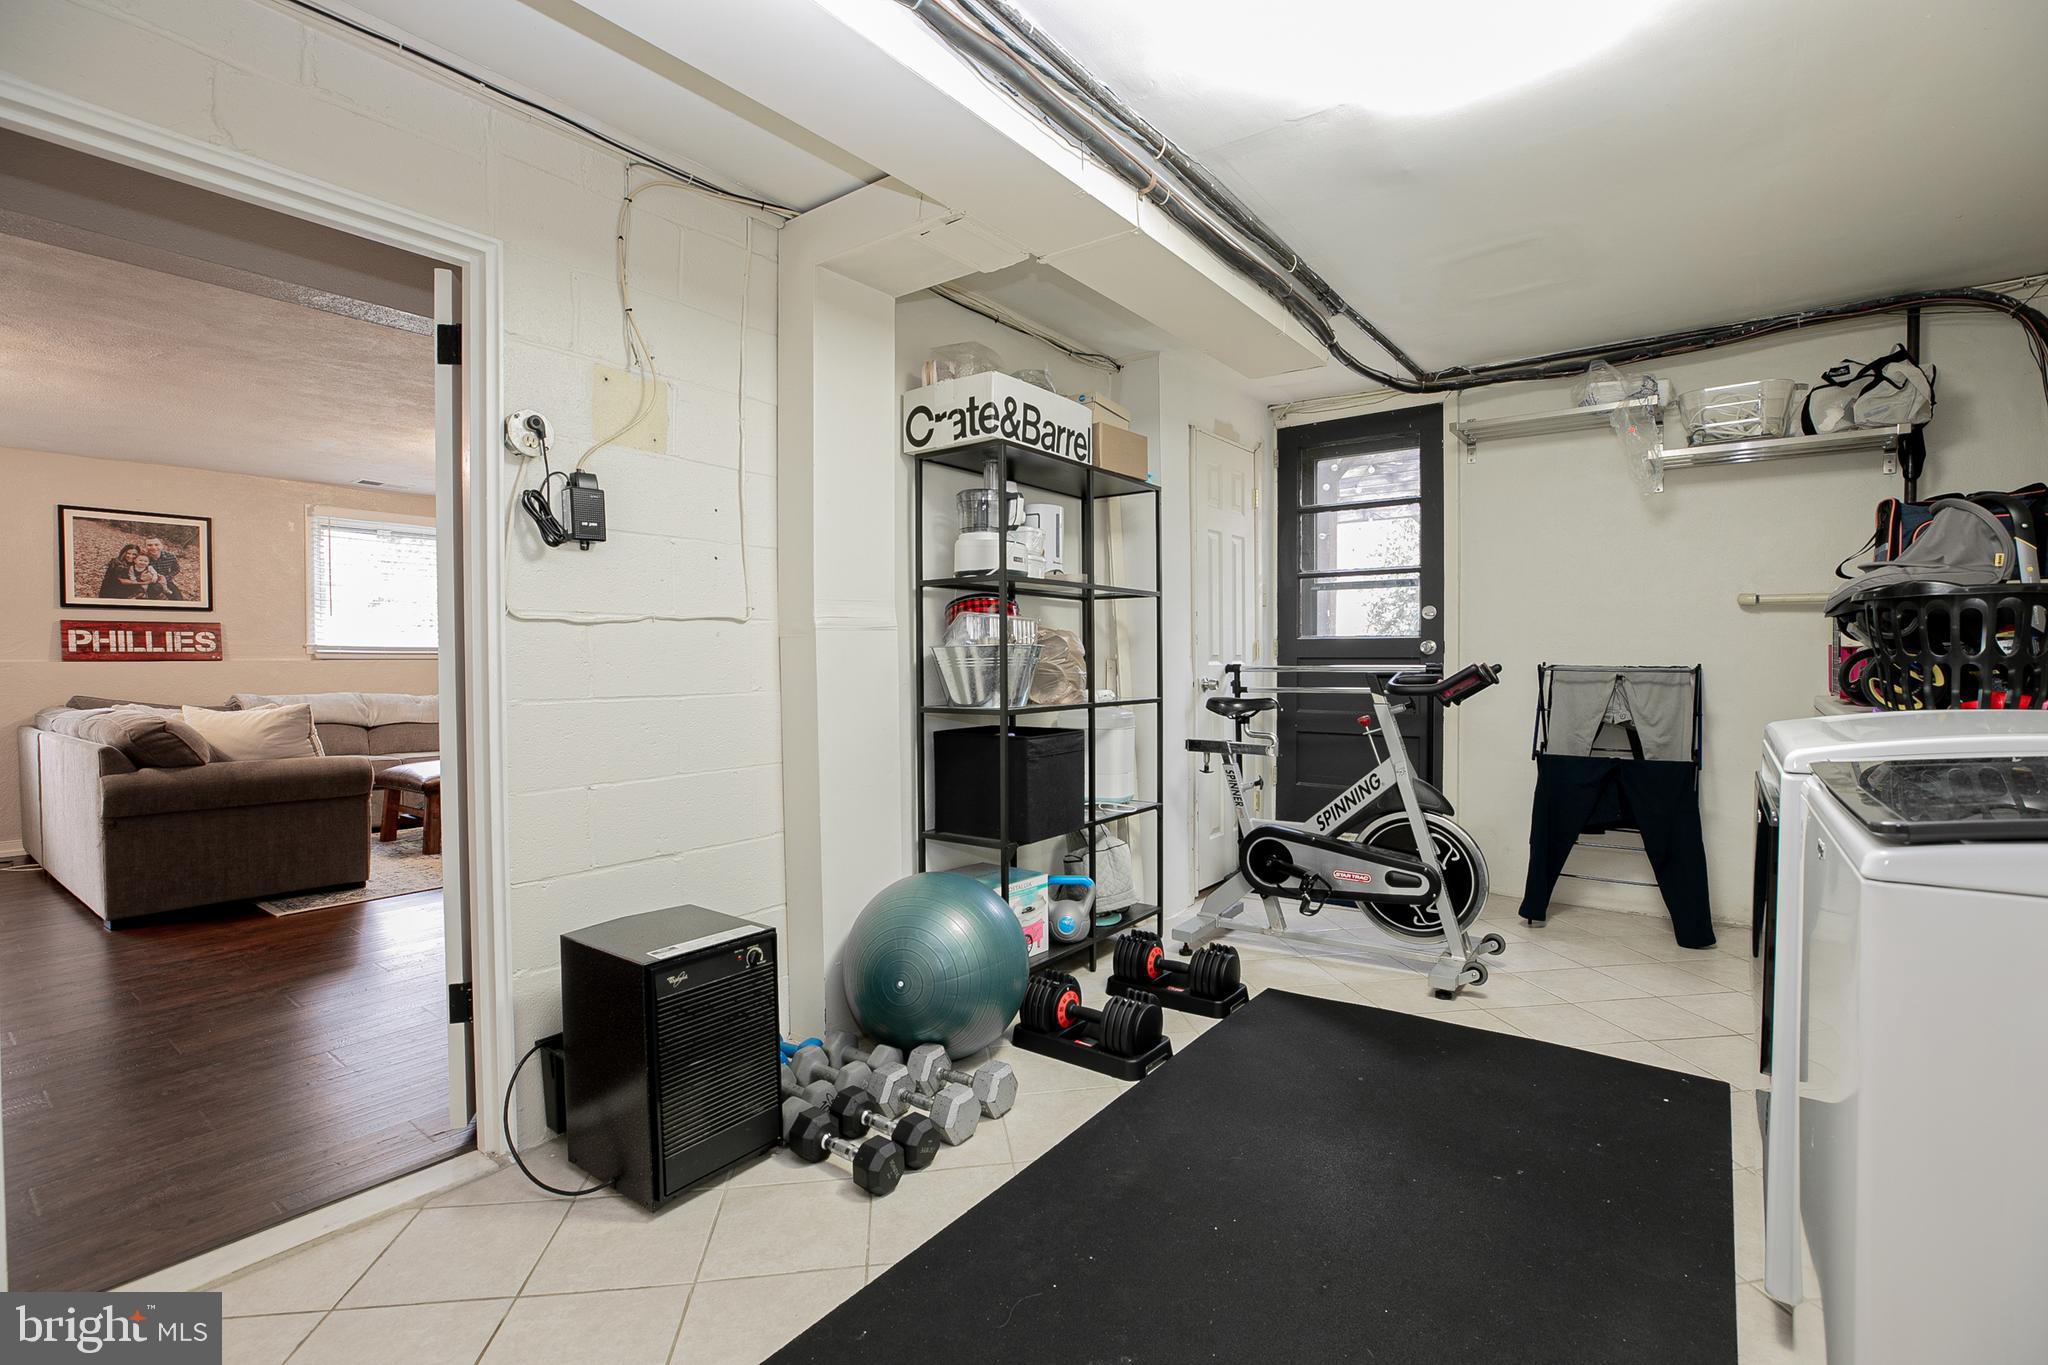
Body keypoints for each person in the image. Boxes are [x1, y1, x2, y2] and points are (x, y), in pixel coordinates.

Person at [141, 535, 184, 600]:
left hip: (166, 581)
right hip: (149, 583)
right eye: (149, 545)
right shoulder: (143, 558)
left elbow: (176, 569)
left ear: (162, 546)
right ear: (145, 547)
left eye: (156, 545)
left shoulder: (170, 556)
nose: (153, 547)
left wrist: (166, 577)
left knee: (178, 599)